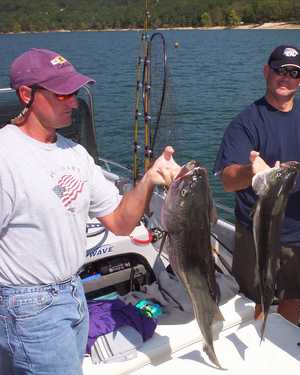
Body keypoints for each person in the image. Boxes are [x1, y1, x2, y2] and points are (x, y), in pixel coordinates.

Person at [0, 48, 180, 375]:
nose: (72, 101)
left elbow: (120, 222)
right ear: (27, 94)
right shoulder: (6, 157)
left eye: (74, 91)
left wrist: (150, 178)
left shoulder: (76, 154)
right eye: (62, 93)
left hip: (73, 291)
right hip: (28, 306)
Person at [213, 45, 300, 325]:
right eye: (279, 70)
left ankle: (285, 345)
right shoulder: (245, 123)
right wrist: (252, 172)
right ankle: (258, 345)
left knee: (293, 298)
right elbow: (228, 179)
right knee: (256, 300)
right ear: (266, 71)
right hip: (258, 233)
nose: (285, 77)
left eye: (294, 72)